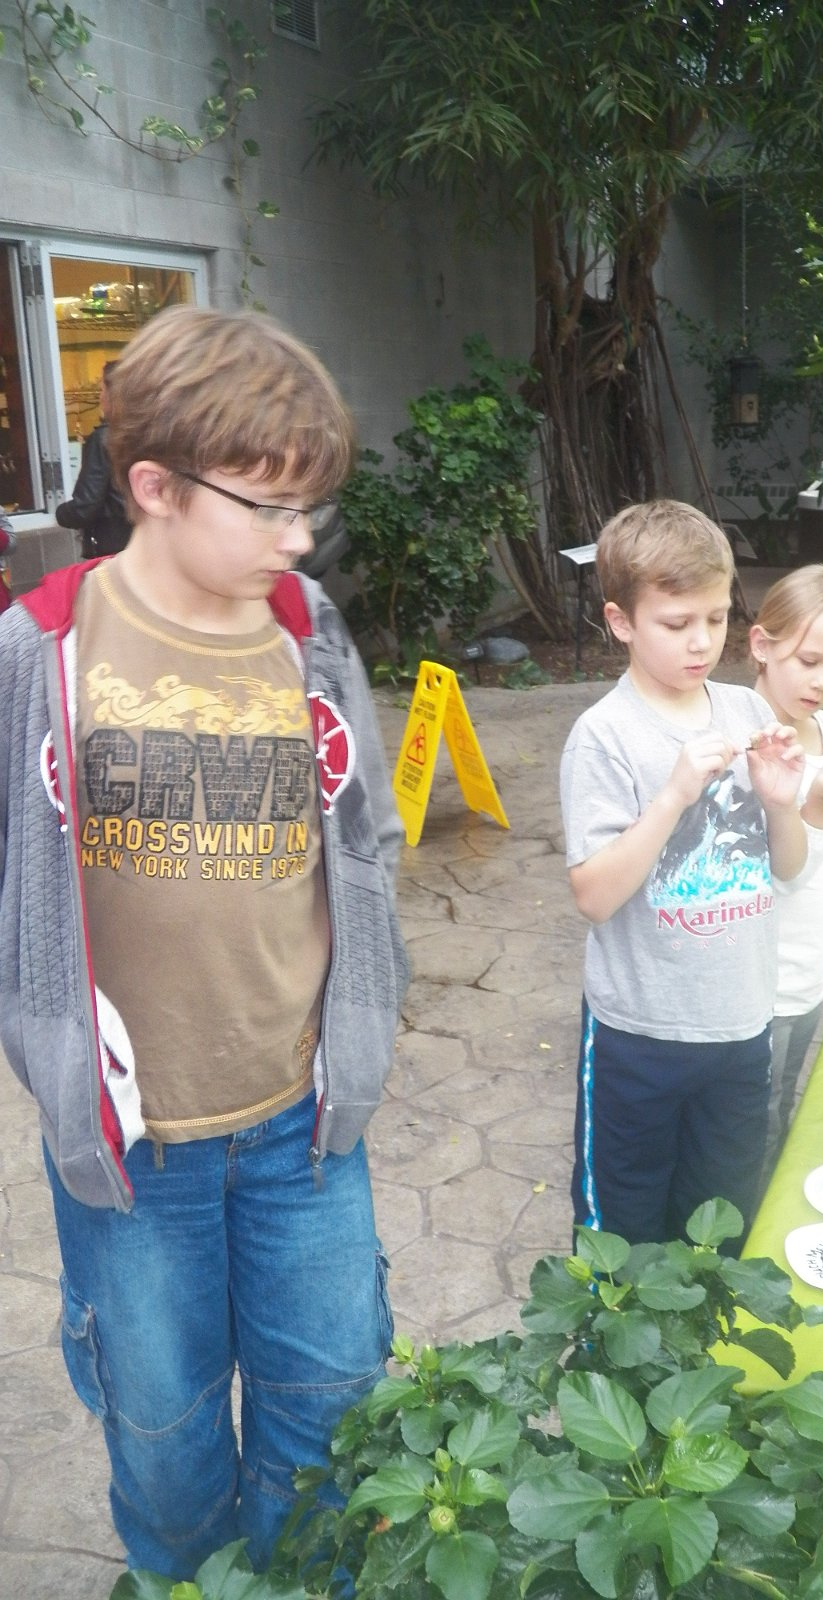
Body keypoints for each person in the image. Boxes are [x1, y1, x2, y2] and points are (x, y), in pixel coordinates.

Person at [0, 307, 409, 1578]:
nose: (300, 538)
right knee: (166, 1442)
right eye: (270, 507)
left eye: (310, 509)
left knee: (331, 1418)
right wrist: (50, 1045)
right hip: (134, 1155)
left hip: (304, 1125)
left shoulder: (308, 630)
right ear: (154, 488)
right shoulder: (41, 648)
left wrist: (364, 1015)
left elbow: (366, 828)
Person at [560, 499, 810, 1249]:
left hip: (741, 1027)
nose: (702, 641)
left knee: (720, 1228)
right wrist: (672, 795)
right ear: (621, 621)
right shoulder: (604, 736)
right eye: (676, 624)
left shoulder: (746, 712)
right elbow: (594, 896)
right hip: (641, 1036)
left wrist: (781, 804)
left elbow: (788, 869)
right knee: (622, 1236)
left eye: (716, 617)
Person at [748, 566, 823, 1167]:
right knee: (757, 1123)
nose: (822, 682)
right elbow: (780, 873)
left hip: (811, 970)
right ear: (761, 644)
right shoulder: (747, 745)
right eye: (808, 660)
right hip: (761, 981)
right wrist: (818, 802)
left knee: (784, 1100)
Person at [55, 359, 133, 556]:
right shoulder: (154, 435)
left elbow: (85, 507)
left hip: (112, 545)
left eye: (102, 390)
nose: (100, 397)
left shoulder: (104, 438)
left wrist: (60, 513)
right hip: (147, 545)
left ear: (114, 395)